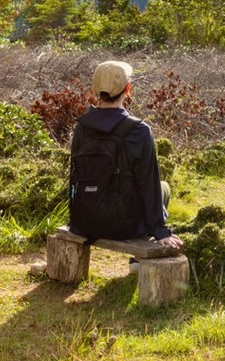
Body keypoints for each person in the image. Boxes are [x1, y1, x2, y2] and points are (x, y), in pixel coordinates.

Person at [69, 60, 183, 250]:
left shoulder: (82, 126)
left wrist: (77, 220)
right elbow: (148, 183)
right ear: (128, 88)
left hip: (84, 222)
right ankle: (136, 261)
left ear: (95, 90)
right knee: (163, 187)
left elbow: (74, 177)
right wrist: (160, 229)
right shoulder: (138, 130)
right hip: (124, 226)